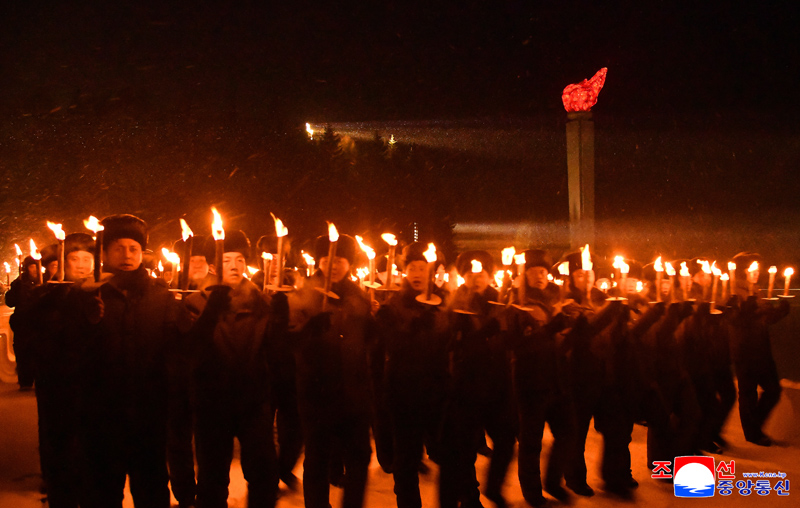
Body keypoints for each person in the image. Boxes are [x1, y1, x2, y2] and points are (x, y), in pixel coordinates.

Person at [76, 214, 178, 508]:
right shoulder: (87, 295)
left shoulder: (160, 296)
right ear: (105, 253)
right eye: (118, 248)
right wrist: (85, 319)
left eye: (133, 248)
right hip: (101, 415)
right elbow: (72, 350)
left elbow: (176, 348)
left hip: (149, 416)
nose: (126, 255)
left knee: (151, 489)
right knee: (102, 492)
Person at [180, 230, 280, 508]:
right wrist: (211, 311)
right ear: (213, 266)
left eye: (239, 260)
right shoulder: (196, 302)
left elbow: (275, 351)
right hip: (211, 402)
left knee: (263, 474)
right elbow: (191, 350)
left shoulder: (262, 302)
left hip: (253, 401)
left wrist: (282, 321)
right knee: (212, 479)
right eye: (227, 260)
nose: (234, 266)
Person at [288, 233, 374, 508]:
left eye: (340, 259)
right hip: (317, 391)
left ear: (348, 263)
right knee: (318, 458)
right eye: (327, 259)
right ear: (319, 262)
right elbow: (290, 339)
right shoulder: (303, 293)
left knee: (359, 456)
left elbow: (367, 338)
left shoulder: (359, 294)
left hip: (353, 392)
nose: (333, 265)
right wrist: (309, 330)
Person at [375, 242, 450, 508]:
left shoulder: (445, 302)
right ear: (404, 271)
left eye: (422, 267)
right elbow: (390, 349)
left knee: (450, 456)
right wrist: (404, 331)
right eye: (412, 268)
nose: (417, 273)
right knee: (406, 459)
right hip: (404, 392)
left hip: (439, 393)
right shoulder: (395, 305)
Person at [27, 233, 95, 508]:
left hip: (96, 385)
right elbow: (37, 336)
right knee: (60, 447)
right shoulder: (47, 294)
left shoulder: (104, 291)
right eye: (74, 258)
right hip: (57, 384)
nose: (81, 265)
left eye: (87, 258)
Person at [728, 252, 789, 446]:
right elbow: (735, 320)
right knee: (748, 392)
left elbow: (765, 319)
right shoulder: (733, 291)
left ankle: (756, 425)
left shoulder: (758, 291)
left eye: (757, 268)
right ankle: (752, 433)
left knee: (773, 389)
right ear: (742, 271)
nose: (756, 272)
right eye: (751, 268)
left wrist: (781, 310)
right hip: (744, 349)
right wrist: (748, 308)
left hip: (762, 349)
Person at [5, 255, 40, 390]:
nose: (35, 270)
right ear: (26, 268)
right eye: (32, 266)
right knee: (23, 352)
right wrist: (15, 289)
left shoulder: (45, 281)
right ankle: (25, 381)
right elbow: (10, 302)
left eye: (37, 266)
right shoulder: (18, 283)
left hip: (39, 324)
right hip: (23, 324)